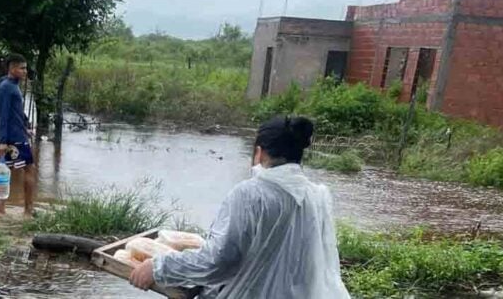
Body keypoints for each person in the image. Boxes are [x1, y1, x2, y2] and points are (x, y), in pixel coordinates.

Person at [130, 116, 351, 299]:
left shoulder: (251, 194)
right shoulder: (316, 196)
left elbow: (220, 261)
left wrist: (159, 268)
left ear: (259, 152)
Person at [0, 53, 36, 217]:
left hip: (16, 133)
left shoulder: (9, 84)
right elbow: (3, 114)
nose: (25, 71)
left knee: (5, 170)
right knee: (29, 169)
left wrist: (25, 126)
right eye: (22, 68)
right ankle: (28, 210)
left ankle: (1, 211)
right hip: (14, 137)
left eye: (26, 68)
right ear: (12, 69)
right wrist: (2, 141)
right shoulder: (7, 87)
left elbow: (16, 111)